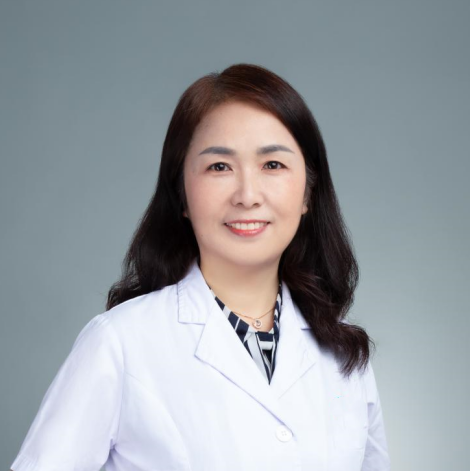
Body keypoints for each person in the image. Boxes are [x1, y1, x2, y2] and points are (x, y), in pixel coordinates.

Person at [10, 63, 391, 471]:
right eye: (219, 167)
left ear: (308, 193)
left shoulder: (344, 354)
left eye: (272, 165)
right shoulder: (120, 344)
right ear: (182, 195)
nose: (247, 195)